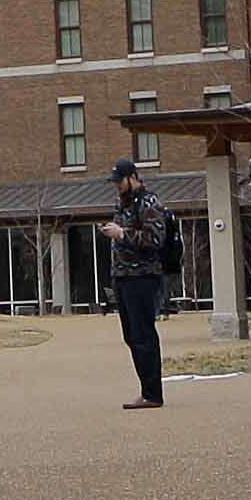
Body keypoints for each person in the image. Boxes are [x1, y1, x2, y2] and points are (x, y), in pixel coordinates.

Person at [101, 159, 183, 409]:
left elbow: (154, 240)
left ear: (132, 178)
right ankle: (146, 390)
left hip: (144, 278)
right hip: (123, 276)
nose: (117, 186)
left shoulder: (150, 203)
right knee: (131, 336)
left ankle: (152, 394)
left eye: (119, 181)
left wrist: (122, 234)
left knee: (143, 334)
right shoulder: (124, 205)